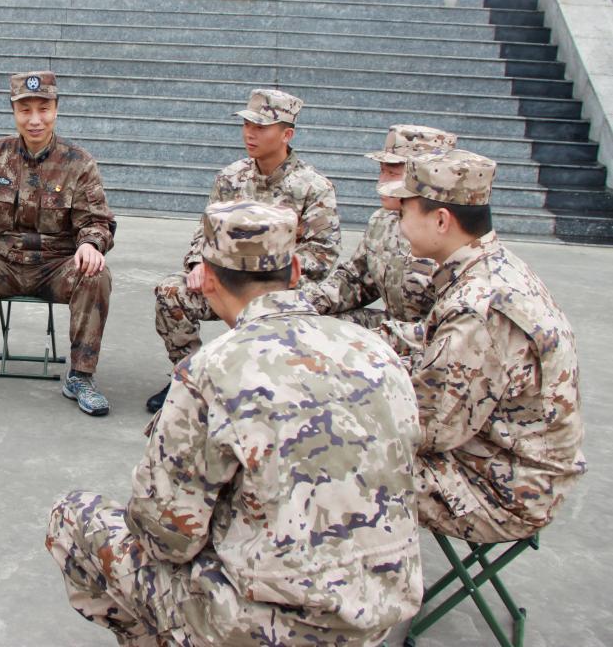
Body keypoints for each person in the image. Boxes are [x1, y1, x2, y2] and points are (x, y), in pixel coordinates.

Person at [47, 200, 422, 647]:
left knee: (72, 517)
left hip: (262, 627)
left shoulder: (210, 369)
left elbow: (166, 537)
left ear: (205, 279)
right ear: (295, 271)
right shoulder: (377, 351)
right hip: (377, 614)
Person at [378, 149, 585, 542]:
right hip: (504, 459)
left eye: (405, 211)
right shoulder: (493, 267)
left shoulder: (479, 307)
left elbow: (426, 430)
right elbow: (433, 341)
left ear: (441, 220)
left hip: (503, 493)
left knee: (329, 448)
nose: (398, 221)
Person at [0, 71, 115, 416]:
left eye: (43, 109)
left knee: (95, 273)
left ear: (56, 109)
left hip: (55, 268)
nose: (35, 119)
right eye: (25, 110)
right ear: (14, 112)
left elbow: (97, 221)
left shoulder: (79, 163)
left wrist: (90, 244)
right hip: (2, 265)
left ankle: (81, 376)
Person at [148, 88, 340, 412]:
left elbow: (323, 253)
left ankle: (273, 385)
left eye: (261, 127)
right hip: (226, 281)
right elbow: (205, 232)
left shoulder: (313, 187)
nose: (250, 133)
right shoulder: (231, 177)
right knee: (172, 292)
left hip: (280, 288)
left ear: (287, 134)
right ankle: (193, 378)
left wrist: (270, 273)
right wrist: (198, 264)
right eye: (247, 125)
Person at [304, 124, 456, 328]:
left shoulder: (453, 235)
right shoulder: (382, 220)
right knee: (309, 325)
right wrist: (302, 303)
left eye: (392, 174)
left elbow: (448, 326)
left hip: (431, 339)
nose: (381, 183)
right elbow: (356, 280)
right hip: (393, 329)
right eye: (382, 171)